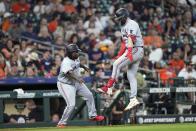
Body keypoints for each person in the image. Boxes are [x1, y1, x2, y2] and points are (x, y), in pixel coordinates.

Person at [97, 8, 144, 111]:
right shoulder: (123, 26)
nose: (118, 20)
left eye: (119, 18)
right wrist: (120, 55)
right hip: (133, 49)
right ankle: (133, 99)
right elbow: (124, 43)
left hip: (136, 49)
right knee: (130, 75)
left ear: (124, 16)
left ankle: (109, 87)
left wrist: (129, 53)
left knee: (116, 64)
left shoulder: (132, 24)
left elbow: (131, 39)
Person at [56, 44, 104, 128]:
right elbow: (69, 73)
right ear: (71, 53)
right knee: (71, 105)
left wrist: (85, 67)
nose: (78, 53)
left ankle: (92, 116)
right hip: (65, 84)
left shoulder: (75, 58)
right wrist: (78, 79)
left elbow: (77, 64)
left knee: (89, 95)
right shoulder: (66, 62)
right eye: (76, 52)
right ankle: (61, 123)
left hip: (75, 82)